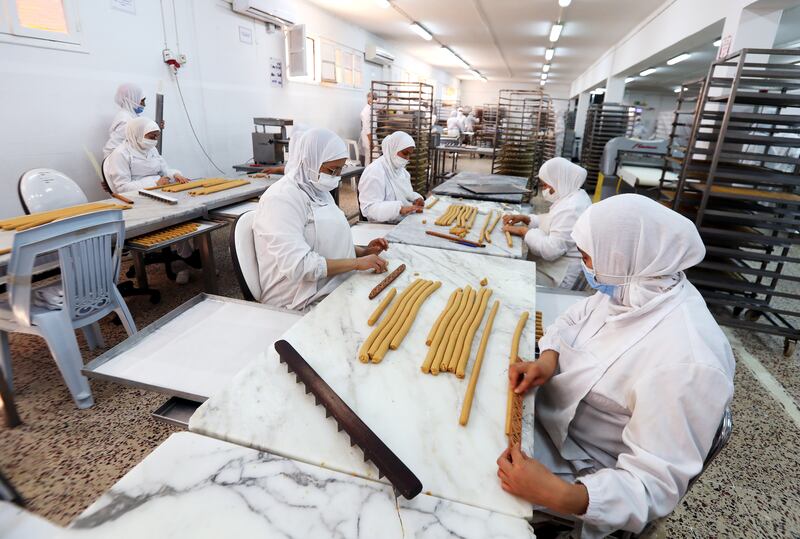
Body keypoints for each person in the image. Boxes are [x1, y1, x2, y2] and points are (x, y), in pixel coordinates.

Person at [497, 194, 734, 538]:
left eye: (589, 256)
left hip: (587, 470)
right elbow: (573, 318)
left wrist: (558, 493)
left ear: (622, 254)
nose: (586, 266)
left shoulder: (689, 360)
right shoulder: (636, 284)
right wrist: (548, 360)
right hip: (552, 420)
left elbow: (654, 486)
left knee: (472, 475)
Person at [253, 127, 389, 311]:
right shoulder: (281, 199)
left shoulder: (318, 190)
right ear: (309, 161)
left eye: (340, 169)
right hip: (298, 299)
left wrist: (360, 252)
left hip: (331, 284)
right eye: (332, 170)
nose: (337, 177)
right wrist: (356, 264)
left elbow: (323, 241)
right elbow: (299, 266)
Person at [503, 157, 591, 288]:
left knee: (511, 282)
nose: (544, 189)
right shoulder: (570, 195)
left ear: (558, 180)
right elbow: (551, 221)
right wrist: (526, 219)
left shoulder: (572, 208)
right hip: (551, 266)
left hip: (558, 274)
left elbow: (551, 250)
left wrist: (524, 232)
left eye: (546, 185)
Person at [103, 118, 189, 193]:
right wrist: (154, 183)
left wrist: (175, 175)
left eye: (156, 137)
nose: (155, 140)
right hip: (136, 197)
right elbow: (122, 188)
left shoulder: (151, 149)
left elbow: (164, 170)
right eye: (152, 137)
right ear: (138, 134)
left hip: (158, 191)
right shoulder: (121, 154)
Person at [358, 131, 424, 223]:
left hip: (402, 221)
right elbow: (369, 209)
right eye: (405, 153)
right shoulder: (374, 172)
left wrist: (416, 198)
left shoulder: (401, 171)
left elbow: (406, 193)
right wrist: (398, 209)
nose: (408, 158)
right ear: (393, 149)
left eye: (410, 154)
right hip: (382, 227)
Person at [103, 83, 164, 158]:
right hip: (117, 161)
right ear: (131, 99)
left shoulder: (131, 116)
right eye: (142, 101)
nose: (144, 105)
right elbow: (113, 146)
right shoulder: (125, 120)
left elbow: (137, 134)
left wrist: (154, 127)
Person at [360, 92, 374, 166]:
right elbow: (367, 128)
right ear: (368, 98)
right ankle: (368, 175)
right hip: (368, 136)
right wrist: (371, 141)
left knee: (370, 158)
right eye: (373, 98)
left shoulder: (371, 108)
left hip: (371, 135)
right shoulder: (366, 111)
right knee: (371, 158)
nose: (375, 100)